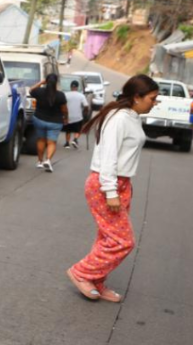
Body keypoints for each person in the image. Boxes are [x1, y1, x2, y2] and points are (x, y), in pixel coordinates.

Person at [67, 75, 160, 303]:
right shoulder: (119, 118)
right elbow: (108, 156)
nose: (154, 102)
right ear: (137, 97)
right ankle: (82, 272)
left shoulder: (132, 116)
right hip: (106, 183)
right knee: (123, 241)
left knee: (107, 238)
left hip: (122, 183)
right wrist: (110, 191)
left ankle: (97, 281)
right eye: (152, 98)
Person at [29, 73, 68, 172]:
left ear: (46, 81)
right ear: (56, 83)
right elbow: (64, 110)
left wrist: (41, 82)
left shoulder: (39, 92)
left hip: (39, 119)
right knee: (51, 142)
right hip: (55, 122)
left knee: (41, 140)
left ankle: (39, 161)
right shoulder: (60, 95)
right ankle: (48, 160)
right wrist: (66, 118)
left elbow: (30, 90)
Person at [63, 80, 90, 149]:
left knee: (68, 130)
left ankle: (67, 143)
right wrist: (85, 111)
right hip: (78, 117)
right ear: (77, 87)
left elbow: (62, 105)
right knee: (78, 130)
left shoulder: (66, 94)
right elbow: (86, 105)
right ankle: (75, 139)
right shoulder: (81, 96)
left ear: (70, 87)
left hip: (68, 116)